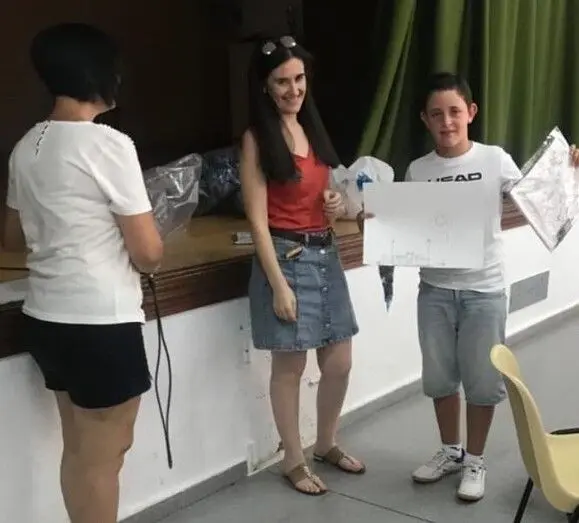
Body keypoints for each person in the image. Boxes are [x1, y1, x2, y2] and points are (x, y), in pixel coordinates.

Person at [2, 23, 163, 523]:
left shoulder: (26, 146)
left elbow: (12, 238)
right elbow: (148, 252)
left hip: (47, 317)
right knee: (103, 457)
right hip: (100, 320)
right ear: (97, 74)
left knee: (80, 450)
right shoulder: (108, 145)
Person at [407, 71, 579, 502]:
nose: (446, 121)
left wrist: (568, 171)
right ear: (425, 119)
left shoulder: (494, 159)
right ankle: (451, 451)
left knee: (482, 381)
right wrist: (374, 222)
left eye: (454, 111)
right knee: (440, 378)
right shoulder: (418, 170)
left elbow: (538, 198)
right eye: (436, 114)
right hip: (434, 290)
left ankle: (475, 459)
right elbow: (411, 229)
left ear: (471, 112)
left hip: (484, 291)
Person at [240, 35, 366, 496]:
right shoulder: (256, 139)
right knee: (289, 366)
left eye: (299, 79)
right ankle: (292, 459)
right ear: (265, 86)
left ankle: (326, 442)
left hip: (325, 253)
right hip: (286, 259)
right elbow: (257, 221)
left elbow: (327, 195)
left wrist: (334, 203)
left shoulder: (312, 128)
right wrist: (278, 285)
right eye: (282, 82)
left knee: (339, 361)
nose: (293, 90)